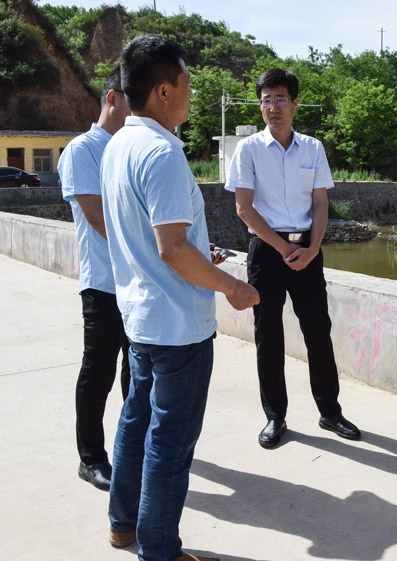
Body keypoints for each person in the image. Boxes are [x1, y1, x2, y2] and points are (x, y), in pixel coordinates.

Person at [100, 34, 259, 561]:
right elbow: (171, 251)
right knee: (169, 443)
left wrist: (196, 248)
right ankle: (160, 550)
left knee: (134, 420)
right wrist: (233, 287)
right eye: (188, 82)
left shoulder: (118, 143)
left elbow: (158, 238)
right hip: (177, 327)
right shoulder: (161, 152)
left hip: (141, 318)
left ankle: (123, 524)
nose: (192, 91)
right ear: (165, 90)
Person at [225, 68, 360, 449]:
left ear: (295, 103)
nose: (272, 107)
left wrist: (313, 248)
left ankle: (330, 411)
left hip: (308, 250)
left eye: (280, 99)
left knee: (318, 330)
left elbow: (320, 202)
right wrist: (284, 249)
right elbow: (244, 208)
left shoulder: (313, 148)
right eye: (266, 100)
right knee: (268, 335)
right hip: (267, 252)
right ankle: (275, 417)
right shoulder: (248, 150)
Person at [59, 65, 131, 492]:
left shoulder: (129, 146)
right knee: (99, 373)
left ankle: (131, 444)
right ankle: (90, 458)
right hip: (103, 284)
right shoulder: (83, 150)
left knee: (136, 374)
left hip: (138, 283)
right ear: (111, 98)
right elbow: (98, 217)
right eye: (131, 98)